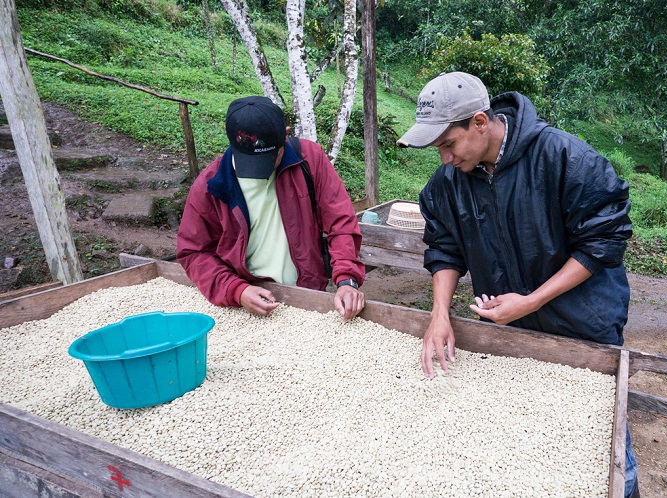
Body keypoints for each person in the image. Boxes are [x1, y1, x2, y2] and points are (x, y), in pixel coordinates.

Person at [397, 72, 639, 497]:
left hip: (584, 324)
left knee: (603, 450)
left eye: (448, 145)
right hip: (511, 331)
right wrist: (439, 316)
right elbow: (444, 247)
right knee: (532, 453)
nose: (445, 160)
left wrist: (531, 301)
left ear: (479, 122)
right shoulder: (448, 184)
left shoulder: (561, 156)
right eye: (437, 150)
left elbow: (605, 238)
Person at [177, 96, 365, 320]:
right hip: (247, 301)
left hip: (306, 294)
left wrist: (346, 280)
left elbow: (340, 221)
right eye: (250, 162)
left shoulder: (309, 159)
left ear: (285, 135)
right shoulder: (210, 185)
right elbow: (193, 251)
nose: (260, 171)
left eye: (269, 159)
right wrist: (237, 290)